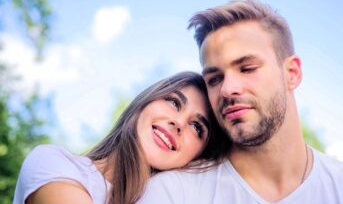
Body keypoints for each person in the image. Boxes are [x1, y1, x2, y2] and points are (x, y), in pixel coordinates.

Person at [138, 0, 343, 203]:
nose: (227, 89)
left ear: (292, 73)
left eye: (247, 68)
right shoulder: (173, 193)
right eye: (215, 79)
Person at [13, 71, 230, 204]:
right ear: (144, 103)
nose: (179, 123)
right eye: (174, 102)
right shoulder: (52, 163)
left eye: (197, 126)